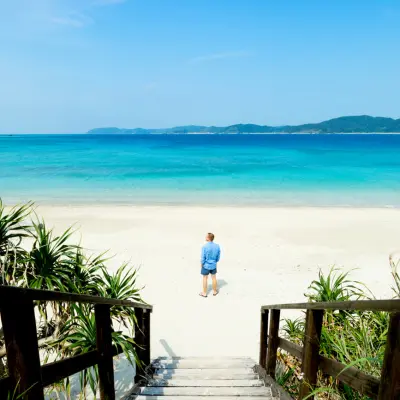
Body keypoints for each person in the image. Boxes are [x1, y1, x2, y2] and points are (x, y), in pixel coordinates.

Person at [199, 232, 221, 297]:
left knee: (205, 278)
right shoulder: (217, 246)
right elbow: (218, 256)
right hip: (213, 264)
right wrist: (215, 261)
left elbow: (203, 257)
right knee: (214, 277)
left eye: (206, 236)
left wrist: (202, 263)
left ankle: (204, 293)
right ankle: (214, 291)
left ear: (208, 238)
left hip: (206, 265)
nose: (205, 237)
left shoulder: (204, 247)